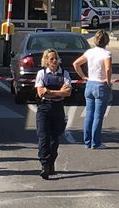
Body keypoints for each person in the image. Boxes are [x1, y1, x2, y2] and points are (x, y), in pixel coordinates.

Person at [35, 49, 72, 180]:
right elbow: (41, 92)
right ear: (46, 61)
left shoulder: (65, 74)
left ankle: (51, 163)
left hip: (58, 107)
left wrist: (50, 91)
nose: (54, 61)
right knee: (43, 137)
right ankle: (44, 165)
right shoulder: (42, 74)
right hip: (44, 108)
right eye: (51, 59)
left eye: (56, 58)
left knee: (54, 139)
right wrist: (58, 91)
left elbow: (67, 92)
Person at [73, 30, 112, 149]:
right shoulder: (106, 54)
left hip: (90, 84)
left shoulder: (89, 52)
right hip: (101, 84)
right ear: (106, 41)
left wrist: (83, 76)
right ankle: (96, 142)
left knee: (89, 114)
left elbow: (76, 64)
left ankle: (87, 141)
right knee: (98, 116)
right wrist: (108, 81)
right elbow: (108, 68)